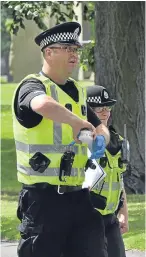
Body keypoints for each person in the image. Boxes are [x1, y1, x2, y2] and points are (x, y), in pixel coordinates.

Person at [12, 22, 110, 257]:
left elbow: (101, 128)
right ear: (49, 52)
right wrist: (76, 122)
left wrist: (100, 141)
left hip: (79, 196)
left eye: (76, 50)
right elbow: (42, 104)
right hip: (43, 201)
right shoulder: (32, 86)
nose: (74, 55)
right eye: (67, 48)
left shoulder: (78, 91)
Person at [87, 85, 129, 257]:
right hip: (87, 219)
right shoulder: (82, 142)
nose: (105, 113)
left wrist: (124, 213)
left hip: (110, 219)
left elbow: (120, 181)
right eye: (98, 108)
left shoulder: (119, 142)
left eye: (108, 107)